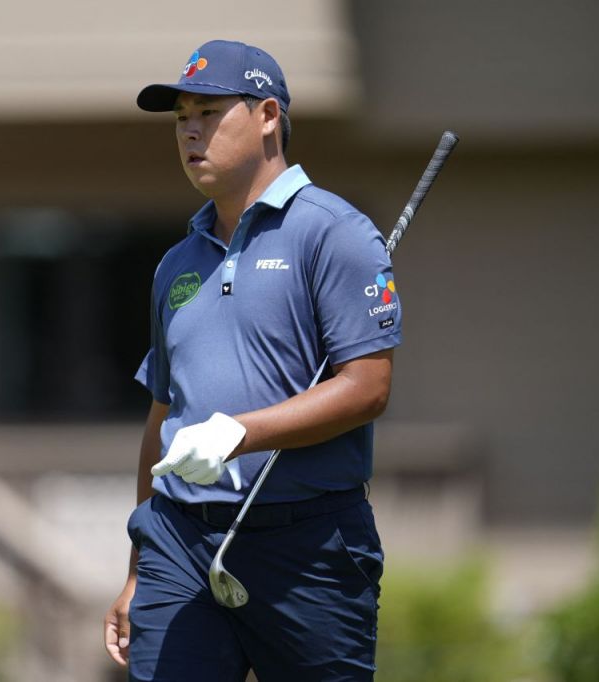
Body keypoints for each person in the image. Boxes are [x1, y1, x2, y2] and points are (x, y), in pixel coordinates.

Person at [104, 39, 402, 681]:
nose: (189, 131)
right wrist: (137, 568)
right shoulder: (176, 264)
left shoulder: (334, 232)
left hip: (308, 545)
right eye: (181, 117)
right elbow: (163, 415)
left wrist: (239, 433)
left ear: (267, 116)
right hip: (179, 542)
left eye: (208, 113)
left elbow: (367, 387)